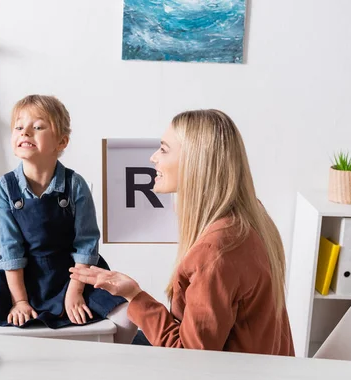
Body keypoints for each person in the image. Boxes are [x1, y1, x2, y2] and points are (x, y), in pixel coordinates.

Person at [70, 109, 295, 354]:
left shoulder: (216, 252)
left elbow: (189, 355)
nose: (153, 158)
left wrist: (133, 295)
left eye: (164, 149)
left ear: (195, 162)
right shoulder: (250, 217)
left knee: (101, 352)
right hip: (264, 372)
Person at [0, 95, 137, 344]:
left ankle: (109, 370)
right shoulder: (6, 188)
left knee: (128, 317)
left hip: (73, 273)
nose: (25, 133)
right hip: (18, 274)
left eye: (37, 127)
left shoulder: (75, 185)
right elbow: (10, 250)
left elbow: (86, 244)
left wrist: (75, 291)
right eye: (19, 128)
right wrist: (19, 300)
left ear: (61, 141)